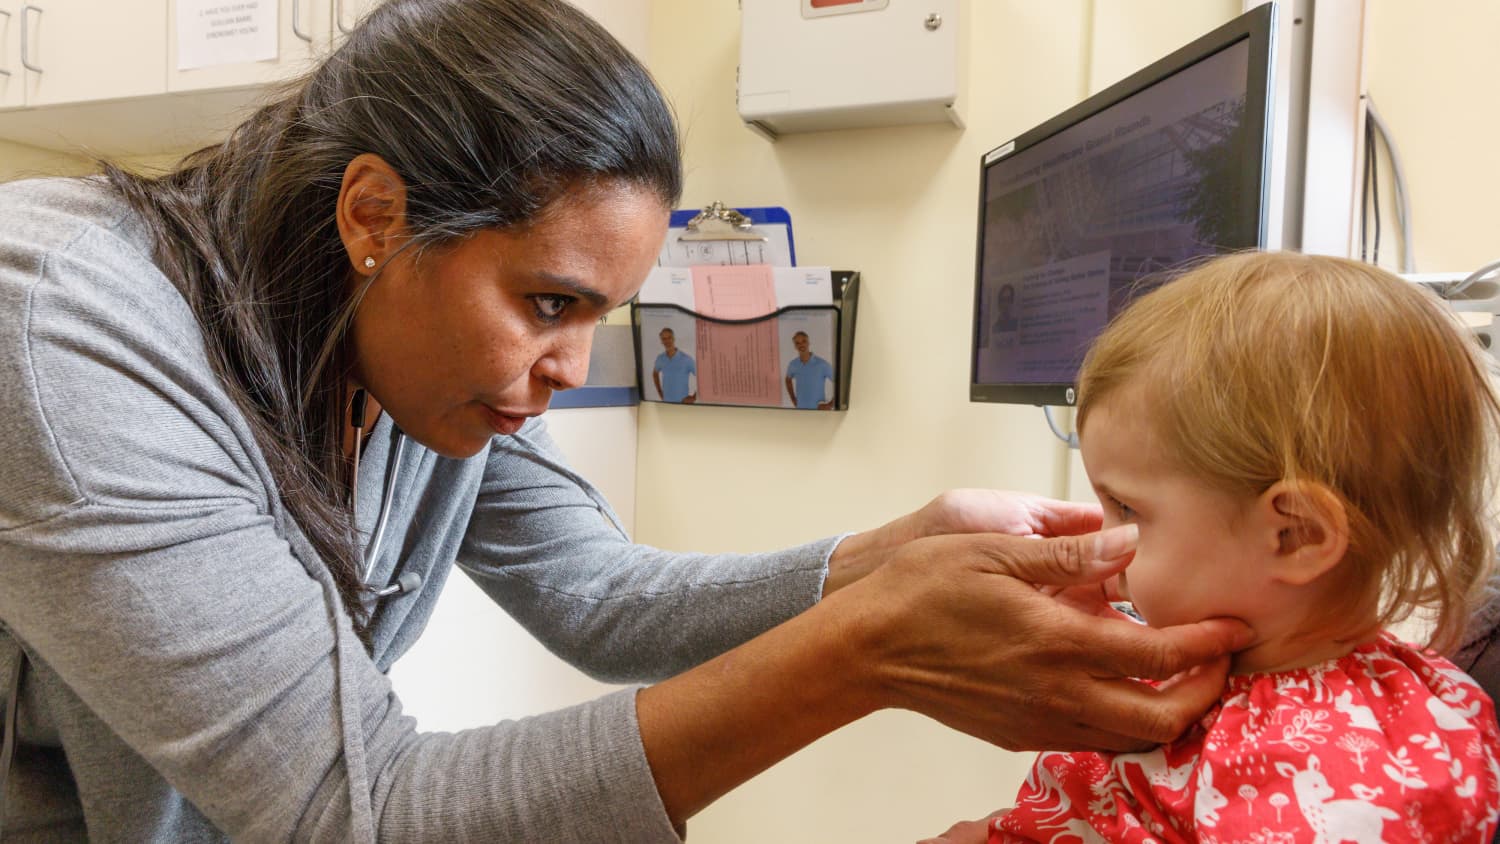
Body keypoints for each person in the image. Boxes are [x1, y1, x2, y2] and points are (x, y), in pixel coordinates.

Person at [0, 1, 1254, 839]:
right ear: (375, 217)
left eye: (600, 312)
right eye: (550, 301)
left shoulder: (403, 358)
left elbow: (602, 598)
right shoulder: (70, 326)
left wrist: (887, 558)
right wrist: (866, 652)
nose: (568, 366)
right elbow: (357, 804)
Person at [932, 252, 1500, 843]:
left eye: (1128, 509)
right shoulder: (1188, 664)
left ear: (1296, 535)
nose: (1104, 541)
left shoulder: (1346, 775)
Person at [785, 330, 834, 410]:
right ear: (795, 346)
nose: (801, 345)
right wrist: (793, 398)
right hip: (801, 410)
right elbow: (788, 379)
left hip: (818, 412)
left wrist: (830, 404)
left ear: (808, 343)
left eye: (804, 341)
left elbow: (840, 384)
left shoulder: (822, 364)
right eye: (797, 343)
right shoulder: (793, 364)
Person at [652, 326, 697, 404]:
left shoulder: (686, 359)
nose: (667, 341)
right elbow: (655, 374)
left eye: (669, 337)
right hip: (667, 404)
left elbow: (703, 378)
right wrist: (660, 393)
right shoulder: (660, 359)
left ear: (673, 338)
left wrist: (694, 397)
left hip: (683, 405)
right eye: (664, 339)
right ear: (661, 341)